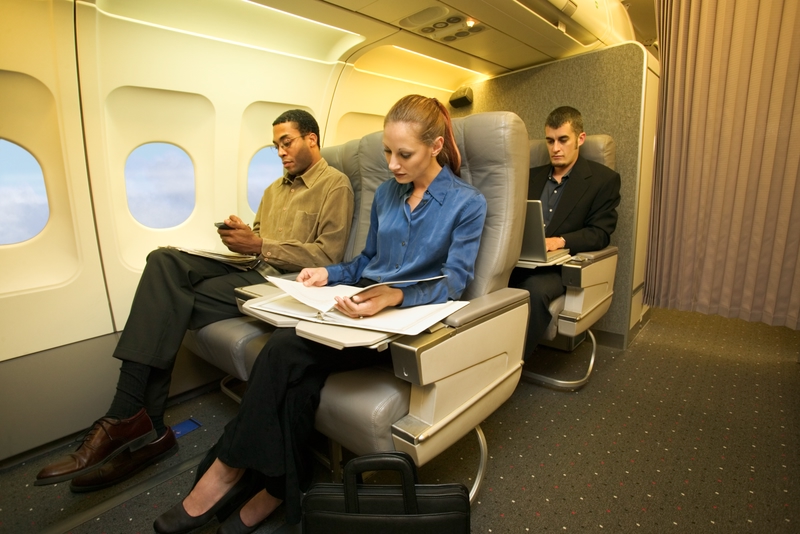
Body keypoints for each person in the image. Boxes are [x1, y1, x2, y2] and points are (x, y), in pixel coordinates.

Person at [152, 94, 488, 534]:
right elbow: (364, 262)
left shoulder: (467, 203)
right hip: (355, 311)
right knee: (298, 382)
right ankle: (280, 490)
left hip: (402, 328)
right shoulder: (388, 194)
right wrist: (325, 275)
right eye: (387, 152)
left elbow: (454, 282)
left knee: (283, 351)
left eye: (403, 154)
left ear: (436, 146)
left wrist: (394, 297)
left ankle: (226, 469)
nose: (392, 165)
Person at [35, 110, 354, 492]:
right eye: (276, 146)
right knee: (163, 261)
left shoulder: (335, 185)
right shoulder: (273, 191)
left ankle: (133, 420)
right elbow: (255, 241)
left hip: (285, 285)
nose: (281, 152)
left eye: (287, 142)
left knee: (168, 302)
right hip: (252, 269)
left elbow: (329, 257)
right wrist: (241, 237)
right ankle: (140, 423)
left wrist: (261, 245)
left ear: (312, 140)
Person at [509, 106, 621, 358]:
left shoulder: (603, 180)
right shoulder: (530, 177)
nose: (555, 148)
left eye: (563, 140)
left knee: (532, 291)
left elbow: (600, 233)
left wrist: (559, 241)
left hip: (561, 267)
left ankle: (512, 362)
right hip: (521, 260)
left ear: (580, 139)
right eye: (550, 141)